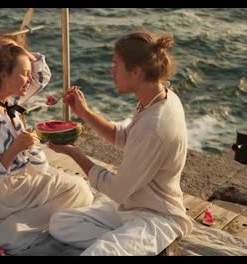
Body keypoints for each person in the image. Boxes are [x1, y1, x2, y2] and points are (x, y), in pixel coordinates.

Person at [47, 29, 193, 256]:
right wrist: (84, 113)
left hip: (157, 217)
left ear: (136, 72)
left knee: (97, 253)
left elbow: (117, 190)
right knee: (60, 222)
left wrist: (74, 153)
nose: (111, 70)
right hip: (131, 207)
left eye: (116, 64)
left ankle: (134, 245)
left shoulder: (154, 126)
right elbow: (123, 137)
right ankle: (129, 246)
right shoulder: (157, 98)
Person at [0, 35, 93, 255]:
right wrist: (16, 148)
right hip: (4, 194)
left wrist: (17, 51)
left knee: (75, 189)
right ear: (3, 74)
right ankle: (6, 237)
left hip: (15, 186)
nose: (29, 79)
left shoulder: (7, 100)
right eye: (24, 74)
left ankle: (14, 228)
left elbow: (42, 74)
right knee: (80, 190)